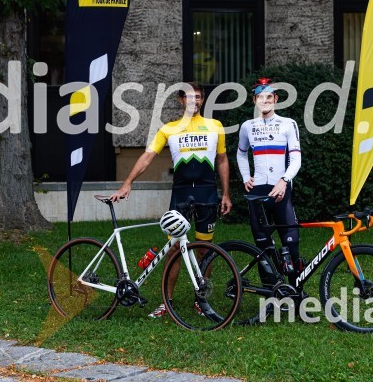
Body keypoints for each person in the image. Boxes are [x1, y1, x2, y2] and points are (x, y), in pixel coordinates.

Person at [110, 81, 231, 318]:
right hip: (181, 194)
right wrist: (128, 183)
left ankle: (201, 301)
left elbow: (223, 160)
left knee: (205, 250)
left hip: (207, 193)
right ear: (180, 100)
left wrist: (226, 193)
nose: (193, 100)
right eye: (188, 96)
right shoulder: (169, 129)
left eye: (197, 96)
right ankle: (167, 301)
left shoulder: (215, 126)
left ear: (202, 100)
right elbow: (147, 157)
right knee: (174, 248)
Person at [236, 77, 302, 283]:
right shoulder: (248, 126)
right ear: (255, 100)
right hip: (258, 191)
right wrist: (246, 177)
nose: (265, 101)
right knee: (262, 244)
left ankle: (296, 291)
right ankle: (271, 293)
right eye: (260, 97)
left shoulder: (288, 124)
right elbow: (240, 153)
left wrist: (284, 180)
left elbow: (297, 158)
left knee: (291, 242)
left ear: (275, 99)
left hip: (281, 189)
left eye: (269, 97)